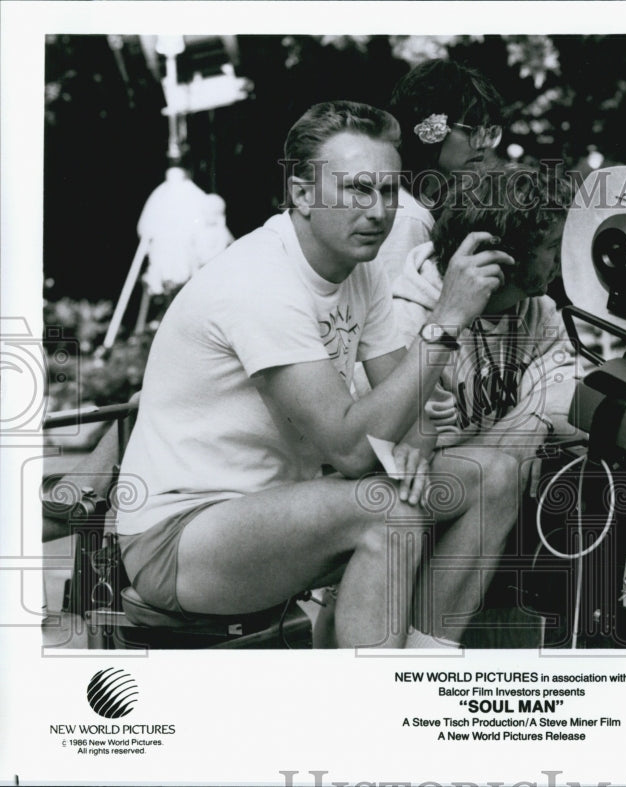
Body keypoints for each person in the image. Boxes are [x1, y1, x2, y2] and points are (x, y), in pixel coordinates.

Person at [114, 100, 520, 649]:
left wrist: (417, 446)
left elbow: (413, 410)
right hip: (181, 538)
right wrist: (446, 319)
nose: (377, 210)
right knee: (389, 510)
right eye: (357, 189)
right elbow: (355, 448)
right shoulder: (260, 282)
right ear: (302, 193)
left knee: (494, 475)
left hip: (281, 512)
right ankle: (371, 711)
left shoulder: (363, 271)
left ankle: (425, 668)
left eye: (388, 190)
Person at [392, 165, 577, 470]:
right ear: (503, 252)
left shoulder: (537, 309)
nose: (563, 257)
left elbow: (569, 383)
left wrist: (534, 418)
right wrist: (512, 437)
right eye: (554, 246)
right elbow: (425, 457)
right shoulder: (408, 323)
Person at [370, 59, 506, 283]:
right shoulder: (409, 216)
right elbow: (396, 310)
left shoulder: (424, 204)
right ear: (432, 128)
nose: (483, 143)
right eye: (473, 129)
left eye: (489, 130)